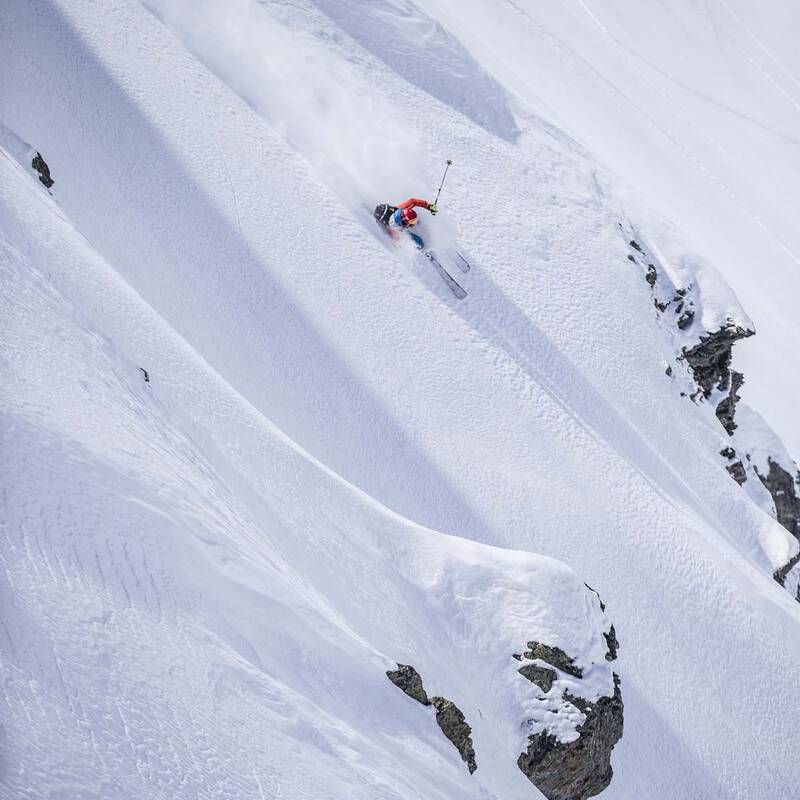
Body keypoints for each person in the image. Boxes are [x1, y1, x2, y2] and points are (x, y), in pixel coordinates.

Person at [373, 198, 438, 249]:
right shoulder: (395, 227)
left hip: (399, 220)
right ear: (404, 220)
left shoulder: (402, 210)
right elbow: (395, 238)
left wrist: (429, 206)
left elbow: (413, 201)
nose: (414, 223)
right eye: (412, 221)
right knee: (418, 241)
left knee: (418, 222)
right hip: (393, 229)